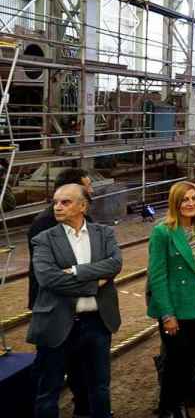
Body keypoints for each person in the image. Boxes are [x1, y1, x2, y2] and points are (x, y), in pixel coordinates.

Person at [28, 183, 122, 418]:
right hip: (56, 323)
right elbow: (49, 279)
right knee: (48, 390)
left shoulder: (105, 233)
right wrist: (94, 283)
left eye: (65, 202)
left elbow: (114, 264)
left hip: (97, 323)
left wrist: (76, 272)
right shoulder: (43, 239)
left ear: (83, 206)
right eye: (56, 202)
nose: (57, 207)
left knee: (99, 387)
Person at [26, 167, 95, 418]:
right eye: (87, 186)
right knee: (50, 377)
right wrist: (89, 279)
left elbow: (106, 263)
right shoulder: (43, 226)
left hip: (83, 312)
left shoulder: (90, 222)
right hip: (53, 311)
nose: (92, 190)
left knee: (83, 373)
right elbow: (49, 277)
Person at [148, 181, 195, 418]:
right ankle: (168, 406)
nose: (190, 204)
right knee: (176, 358)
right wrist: (167, 314)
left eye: (194, 199)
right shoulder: (162, 231)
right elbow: (157, 276)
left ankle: (189, 393)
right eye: (184, 199)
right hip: (175, 303)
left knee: (193, 354)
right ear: (175, 203)